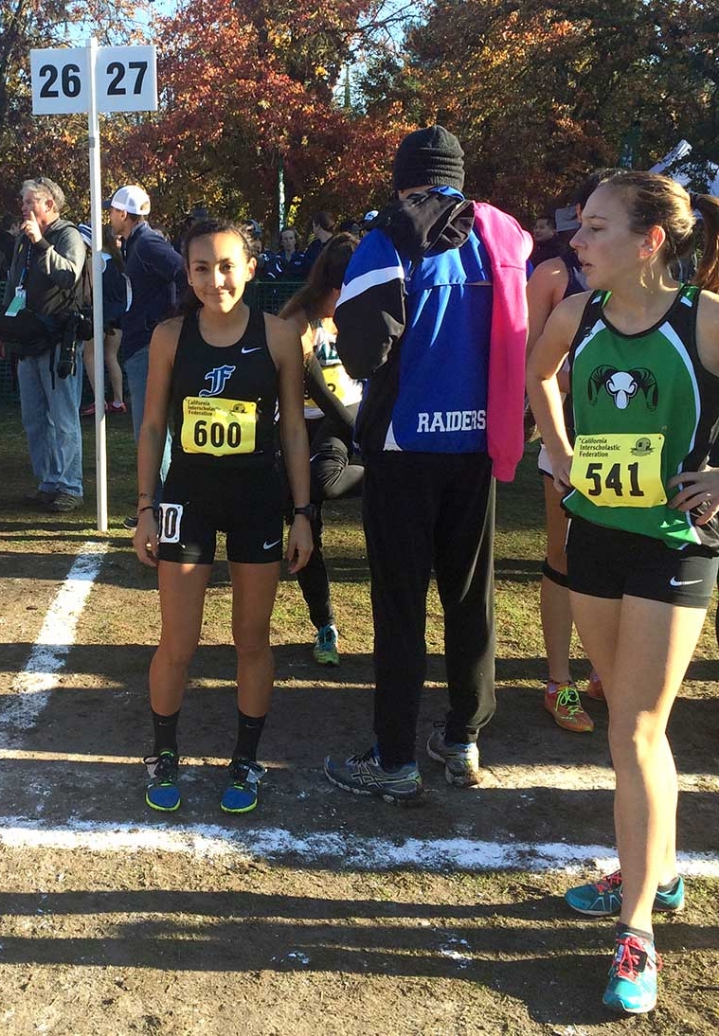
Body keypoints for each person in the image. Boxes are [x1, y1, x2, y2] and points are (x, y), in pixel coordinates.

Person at [527, 173, 719, 1015]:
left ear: (649, 242)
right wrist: (565, 462)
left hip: (673, 547)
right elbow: (538, 383)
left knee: (637, 728)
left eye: (596, 228)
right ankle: (660, 872)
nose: (577, 241)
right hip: (599, 538)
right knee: (631, 719)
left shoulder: (706, 320)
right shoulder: (577, 315)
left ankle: (636, 927)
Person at [325, 125, 531, 801]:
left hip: (403, 448)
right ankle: (465, 738)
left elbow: (362, 353)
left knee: (400, 604)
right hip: (477, 445)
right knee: (471, 598)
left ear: (401, 180)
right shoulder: (504, 237)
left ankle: (394, 756)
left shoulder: (387, 239)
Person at [133, 219, 313, 814]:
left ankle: (246, 760)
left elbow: (292, 427)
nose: (216, 280)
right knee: (177, 642)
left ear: (251, 267)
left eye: (227, 265)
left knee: (251, 640)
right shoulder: (169, 336)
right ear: (187, 273)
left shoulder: (280, 336)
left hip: (257, 499)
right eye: (202, 268)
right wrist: (144, 508)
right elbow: (154, 425)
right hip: (187, 497)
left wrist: (304, 511)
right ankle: (161, 753)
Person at [527, 169, 620, 732]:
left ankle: (604, 670)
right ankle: (558, 682)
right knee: (564, 557)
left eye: (600, 223)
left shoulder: (666, 290)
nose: (585, 235)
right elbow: (531, 362)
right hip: (572, 442)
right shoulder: (554, 276)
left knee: (620, 562)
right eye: (585, 220)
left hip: (638, 453)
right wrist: (556, 439)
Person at [278, 233, 363, 666]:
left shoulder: (356, 314)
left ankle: (378, 472)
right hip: (303, 425)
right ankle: (324, 623)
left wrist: (356, 425)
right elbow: (308, 383)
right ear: (333, 286)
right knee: (304, 520)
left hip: (339, 423)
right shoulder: (297, 320)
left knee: (324, 484)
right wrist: (359, 427)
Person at [0, 177, 87, 512]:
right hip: (26, 338)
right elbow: (12, 286)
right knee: (34, 417)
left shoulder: (68, 235)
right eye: (22, 201)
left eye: (30, 201)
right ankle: (48, 482)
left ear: (50, 204)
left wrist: (42, 244)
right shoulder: (20, 241)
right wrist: (3, 331)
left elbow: (69, 275)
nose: (24, 207)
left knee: (63, 416)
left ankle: (70, 486)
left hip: (58, 338)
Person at [106, 184, 184, 524]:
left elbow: (182, 271)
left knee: (150, 431)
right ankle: (158, 506)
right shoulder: (140, 244)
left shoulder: (149, 243)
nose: (109, 216)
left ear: (124, 213)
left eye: (112, 210)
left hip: (149, 346)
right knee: (152, 430)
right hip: (144, 343)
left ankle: (160, 508)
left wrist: (171, 319)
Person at [78, 222, 127, 416]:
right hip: (118, 316)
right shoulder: (119, 261)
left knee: (89, 356)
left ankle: (100, 401)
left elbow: (88, 293)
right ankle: (118, 400)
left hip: (99, 315)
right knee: (111, 357)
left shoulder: (93, 261)